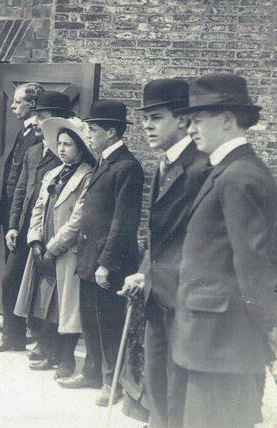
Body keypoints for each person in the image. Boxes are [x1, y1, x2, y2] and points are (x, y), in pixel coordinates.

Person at [171, 73, 277, 428]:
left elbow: (253, 263)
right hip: (214, 336)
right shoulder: (229, 171)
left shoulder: (238, 176)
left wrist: (271, 327)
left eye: (198, 119)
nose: (190, 129)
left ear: (227, 120)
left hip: (223, 338)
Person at [120, 78, 209, 428]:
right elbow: (161, 236)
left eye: (155, 117)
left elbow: (200, 240)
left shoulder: (201, 168)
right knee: (156, 385)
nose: (146, 125)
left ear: (183, 120)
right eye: (144, 119)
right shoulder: (164, 163)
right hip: (158, 295)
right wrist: (145, 271)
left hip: (185, 301)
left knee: (179, 393)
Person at [58, 100, 144, 408]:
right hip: (87, 257)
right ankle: (93, 373)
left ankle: (112, 381)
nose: (89, 135)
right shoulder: (102, 163)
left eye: (93, 130)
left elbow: (123, 222)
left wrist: (107, 262)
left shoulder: (128, 167)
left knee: (108, 322)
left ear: (110, 131)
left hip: (108, 261)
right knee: (90, 320)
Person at [15, 116, 95, 379]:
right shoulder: (52, 174)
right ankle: (48, 351)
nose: (61, 149)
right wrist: (36, 241)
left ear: (80, 148)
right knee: (44, 302)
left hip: (65, 250)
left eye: (68, 144)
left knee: (65, 305)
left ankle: (66, 359)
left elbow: (78, 219)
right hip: (44, 245)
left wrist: (53, 248)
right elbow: (38, 208)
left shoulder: (86, 176)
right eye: (59, 144)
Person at [0, 82, 45, 339]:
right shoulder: (24, 132)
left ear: (32, 104)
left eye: (18, 102)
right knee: (13, 272)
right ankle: (13, 323)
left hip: (25, 216)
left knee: (17, 274)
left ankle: (20, 330)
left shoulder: (41, 134)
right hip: (12, 212)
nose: (12, 106)